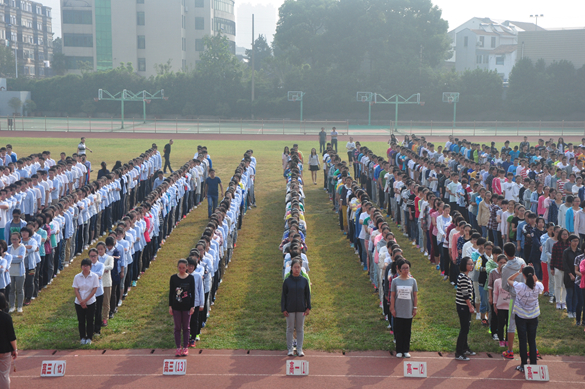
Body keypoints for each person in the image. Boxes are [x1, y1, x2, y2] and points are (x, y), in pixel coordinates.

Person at [507, 265, 543, 373]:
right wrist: (534, 277)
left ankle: (523, 365)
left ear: (523, 275)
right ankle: (533, 364)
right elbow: (538, 285)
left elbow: (509, 280)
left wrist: (518, 271)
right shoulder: (539, 286)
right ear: (534, 275)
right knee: (532, 340)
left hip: (521, 317)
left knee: (523, 341)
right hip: (533, 316)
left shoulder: (519, 286)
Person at [281, 257, 311, 357]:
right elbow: (283, 296)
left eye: (298, 267)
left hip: (301, 308)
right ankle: (290, 349)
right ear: (291, 268)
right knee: (289, 329)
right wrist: (283, 309)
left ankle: (299, 349)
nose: (297, 269)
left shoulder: (304, 281)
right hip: (289, 309)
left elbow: (308, 295)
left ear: (301, 268)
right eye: (295, 267)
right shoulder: (287, 281)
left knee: (300, 329)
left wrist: (308, 307)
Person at [390, 259, 418, 358]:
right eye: (403, 268)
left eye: (407, 268)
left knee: (407, 330)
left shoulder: (412, 281)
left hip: (408, 309)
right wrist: (392, 308)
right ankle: (399, 350)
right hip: (398, 309)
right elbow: (392, 296)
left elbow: (415, 296)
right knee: (398, 330)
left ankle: (406, 350)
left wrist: (415, 308)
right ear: (399, 269)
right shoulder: (395, 281)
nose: (406, 270)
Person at [168, 259, 195, 357]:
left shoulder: (191, 278)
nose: (181, 269)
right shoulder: (173, 278)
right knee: (177, 327)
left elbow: (193, 293)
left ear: (187, 267)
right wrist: (170, 306)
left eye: (183, 268)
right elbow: (171, 293)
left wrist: (192, 306)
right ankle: (178, 347)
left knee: (186, 328)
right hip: (176, 306)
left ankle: (185, 347)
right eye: (180, 268)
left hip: (187, 307)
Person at [72, 258, 99, 345]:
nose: (85, 267)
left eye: (87, 266)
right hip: (79, 302)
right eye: (83, 266)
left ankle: (89, 337)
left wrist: (86, 300)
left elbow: (94, 290)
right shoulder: (77, 277)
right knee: (81, 320)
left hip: (90, 301)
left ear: (90, 266)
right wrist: (81, 301)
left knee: (90, 320)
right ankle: (82, 337)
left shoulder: (94, 276)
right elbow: (76, 290)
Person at [455, 257, 476, 361]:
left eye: (472, 264)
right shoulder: (463, 277)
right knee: (464, 329)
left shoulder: (466, 276)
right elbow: (465, 294)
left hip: (465, 306)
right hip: (463, 306)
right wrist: (470, 306)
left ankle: (465, 347)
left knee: (466, 327)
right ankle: (459, 352)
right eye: (469, 264)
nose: (471, 266)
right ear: (464, 265)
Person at [0, 293, 17, 389]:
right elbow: (11, 336)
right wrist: (15, 349)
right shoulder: (6, 317)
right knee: (4, 375)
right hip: (4, 350)